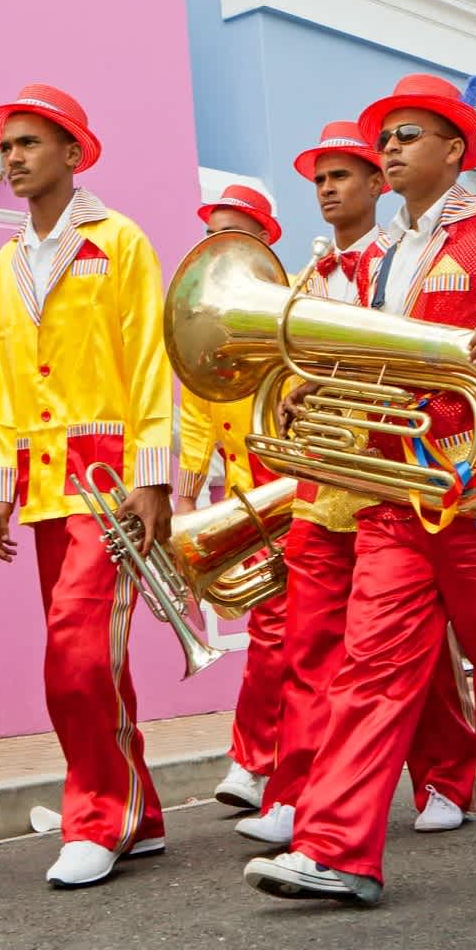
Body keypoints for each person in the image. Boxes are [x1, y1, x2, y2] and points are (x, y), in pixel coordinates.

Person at [243, 73, 476, 905]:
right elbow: (370, 359)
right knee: (370, 667)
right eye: (387, 138)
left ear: (455, 148)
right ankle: (336, 849)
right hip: (394, 491)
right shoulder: (379, 255)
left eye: (407, 135)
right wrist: (314, 389)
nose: (391, 150)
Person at [235, 120, 476, 846]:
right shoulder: (304, 279)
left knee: (414, 650)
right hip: (321, 483)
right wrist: (287, 398)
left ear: (378, 184)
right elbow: (288, 370)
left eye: (344, 175)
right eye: (320, 179)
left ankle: (443, 774)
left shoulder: (398, 261)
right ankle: (296, 789)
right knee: (310, 641)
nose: (329, 189)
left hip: (390, 475)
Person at [0, 84, 173, 889]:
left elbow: (152, 364)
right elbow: (3, 382)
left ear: (71, 152)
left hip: (110, 483)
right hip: (44, 489)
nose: (14, 158)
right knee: (91, 657)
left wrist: (156, 479)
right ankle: (142, 811)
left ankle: (98, 816)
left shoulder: (120, 241)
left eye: (29, 143)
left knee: (78, 656)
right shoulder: (3, 259)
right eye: (7, 147)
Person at [182, 184, 290, 812]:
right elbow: (197, 412)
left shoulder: (289, 298)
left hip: (305, 485)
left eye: (233, 231)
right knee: (274, 631)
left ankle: (257, 763)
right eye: (210, 233)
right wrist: (190, 494)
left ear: (262, 240)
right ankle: (258, 764)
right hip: (248, 500)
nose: (217, 244)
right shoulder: (204, 321)